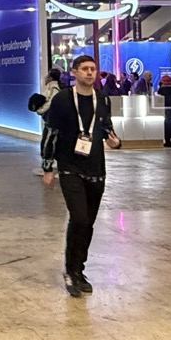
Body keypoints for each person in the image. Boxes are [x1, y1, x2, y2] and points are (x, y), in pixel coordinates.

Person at [42, 54, 122, 296]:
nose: (89, 73)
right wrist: (48, 166)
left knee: (88, 222)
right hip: (70, 167)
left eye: (93, 69)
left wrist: (115, 141)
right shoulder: (63, 99)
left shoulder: (102, 98)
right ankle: (70, 270)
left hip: (96, 168)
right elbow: (51, 132)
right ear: (74, 72)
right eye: (85, 69)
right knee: (79, 218)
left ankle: (79, 270)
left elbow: (106, 127)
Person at [36, 68, 63, 173]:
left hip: (52, 121)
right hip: (53, 120)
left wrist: (40, 110)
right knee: (51, 141)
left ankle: (47, 166)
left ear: (50, 77)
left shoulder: (54, 89)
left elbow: (49, 103)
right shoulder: (54, 88)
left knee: (48, 142)